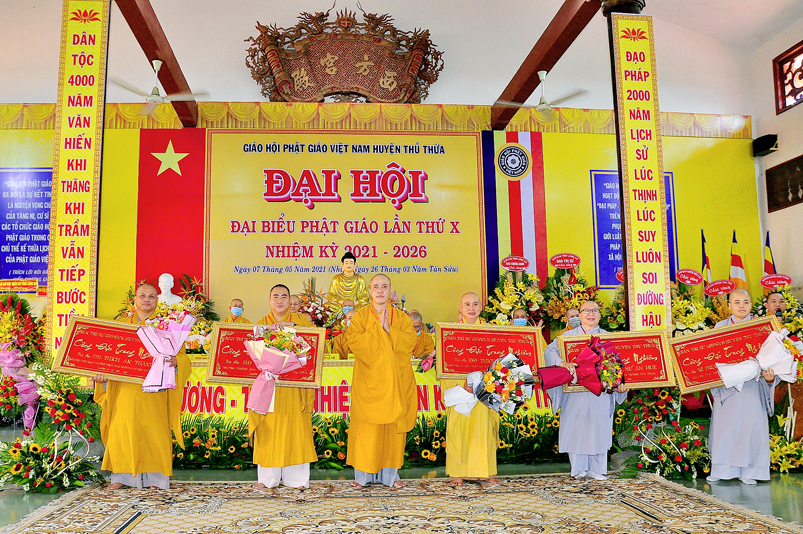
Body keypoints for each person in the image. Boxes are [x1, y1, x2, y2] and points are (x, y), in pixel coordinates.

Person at [93, 283, 190, 490]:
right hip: (125, 389)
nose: (147, 299)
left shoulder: (166, 326)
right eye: (142, 295)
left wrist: (176, 362)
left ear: (157, 300)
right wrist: (102, 377)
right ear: (134, 299)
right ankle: (122, 476)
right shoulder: (120, 326)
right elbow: (106, 356)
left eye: (151, 296)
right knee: (122, 430)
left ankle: (157, 480)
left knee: (154, 433)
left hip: (154, 391)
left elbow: (183, 357)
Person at [345, 274, 417, 488]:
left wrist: (389, 330)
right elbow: (353, 341)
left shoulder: (401, 318)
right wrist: (378, 330)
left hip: (395, 381)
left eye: (384, 286)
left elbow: (410, 343)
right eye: (376, 286)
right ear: (369, 290)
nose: (379, 290)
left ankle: (391, 477)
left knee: (391, 431)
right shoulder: (360, 317)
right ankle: (362, 477)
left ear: (390, 291)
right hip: (368, 382)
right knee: (367, 430)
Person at [544, 300, 626, 480]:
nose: (591, 314)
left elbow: (622, 364)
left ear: (600, 315)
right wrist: (562, 363)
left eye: (594, 310)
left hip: (600, 394)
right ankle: (578, 469)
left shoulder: (609, 338)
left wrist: (620, 385)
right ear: (579, 315)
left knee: (599, 428)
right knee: (576, 429)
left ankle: (597, 469)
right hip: (575, 394)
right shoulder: (567, 337)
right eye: (586, 311)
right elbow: (549, 352)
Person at [707, 288, 778, 485]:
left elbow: (773, 358)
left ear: (751, 305)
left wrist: (770, 378)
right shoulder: (720, 327)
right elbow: (710, 356)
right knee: (725, 429)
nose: (741, 306)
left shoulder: (761, 328)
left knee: (751, 428)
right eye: (737, 302)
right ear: (729, 305)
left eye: (746, 302)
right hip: (727, 388)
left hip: (753, 387)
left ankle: (751, 471)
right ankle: (721, 469)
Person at [250, 284, 317, 490]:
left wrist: (294, 330)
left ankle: (297, 480)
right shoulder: (260, 325)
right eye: (275, 297)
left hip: (294, 387)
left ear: (290, 301)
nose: (279, 301)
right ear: (269, 301)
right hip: (269, 386)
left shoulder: (302, 323)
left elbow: (314, 349)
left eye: (284, 297)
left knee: (296, 429)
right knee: (268, 431)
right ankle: (267, 479)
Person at [442, 292, 500, 486]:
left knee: (486, 429)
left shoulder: (491, 331)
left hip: (486, 387)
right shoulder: (450, 332)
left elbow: (498, 358)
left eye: (475, 304)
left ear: (481, 307)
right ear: (460, 307)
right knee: (458, 430)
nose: (471, 308)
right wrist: (462, 387)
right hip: (460, 386)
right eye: (467, 304)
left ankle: (486, 471)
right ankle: (457, 473)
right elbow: (446, 363)